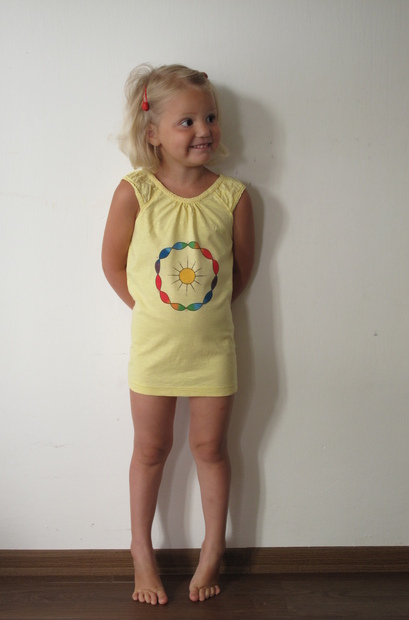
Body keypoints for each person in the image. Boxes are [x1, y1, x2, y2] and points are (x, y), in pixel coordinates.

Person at [102, 64, 255, 605]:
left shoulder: (233, 196)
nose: (203, 130)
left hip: (213, 352)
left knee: (211, 448)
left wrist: (199, 316)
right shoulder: (135, 192)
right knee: (150, 449)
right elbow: (113, 265)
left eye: (209, 117)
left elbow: (241, 273)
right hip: (154, 351)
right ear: (153, 133)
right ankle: (141, 552)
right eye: (186, 121)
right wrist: (154, 313)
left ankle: (214, 547)